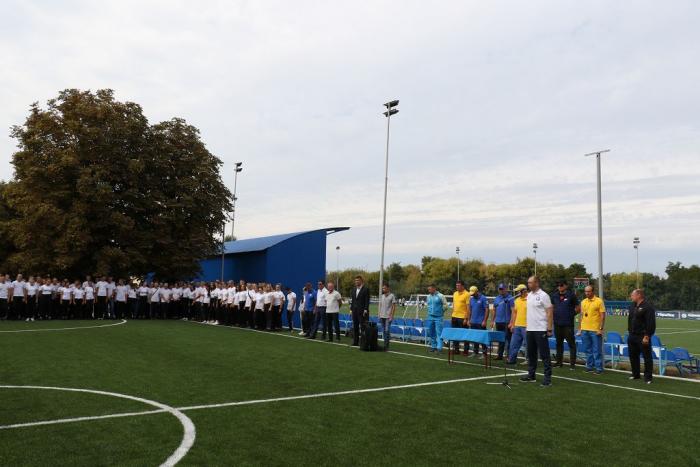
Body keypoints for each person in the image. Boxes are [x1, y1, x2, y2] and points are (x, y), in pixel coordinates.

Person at [520, 276, 553, 387]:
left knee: (544, 354)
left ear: (537, 283)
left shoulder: (544, 295)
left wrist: (549, 328)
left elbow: (549, 312)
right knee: (531, 354)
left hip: (541, 329)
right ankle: (531, 375)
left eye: (530, 283)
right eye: (528, 282)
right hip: (530, 329)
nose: (528, 285)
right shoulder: (529, 295)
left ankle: (547, 378)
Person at [627, 289, 656, 384]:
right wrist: (629, 331)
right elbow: (630, 319)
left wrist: (647, 335)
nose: (631, 297)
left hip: (642, 336)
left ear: (639, 295)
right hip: (632, 335)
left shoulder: (648, 307)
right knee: (633, 356)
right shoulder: (632, 305)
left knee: (647, 357)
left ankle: (648, 377)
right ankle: (635, 374)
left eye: (632, 295)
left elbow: (651, 322)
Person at [551, 280, 580, 369]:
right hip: (557, 323)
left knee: (571, 344)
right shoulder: (554, 295)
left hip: (568, 324)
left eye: (561, 285)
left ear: (566, 286)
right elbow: (552, 307)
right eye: (558, 285)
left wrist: (571, 314)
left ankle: (572, 364)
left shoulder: (571, 295)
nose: (560, 287)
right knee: (558, 343)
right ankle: (559, 362)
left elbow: (578, 308)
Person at [578, 285, 605, 374]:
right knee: (587, 349)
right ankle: (589, 366)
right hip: (584, 329)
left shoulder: (599, 301)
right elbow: (581, 315)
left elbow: (602, 316)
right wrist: (580, 328)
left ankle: (599, 368)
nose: (587, 293)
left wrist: (600, 328)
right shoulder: (583, 302)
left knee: (597, 350)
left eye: (589, 291)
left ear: (593, 292)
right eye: (586, 291)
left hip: (595, 330)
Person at [507, 284, 528, 364]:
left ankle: (529, 360)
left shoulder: (530, 299)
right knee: (513, 344)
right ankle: (511, 359)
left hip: (527, 326)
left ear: (523, 291)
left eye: (518, 291)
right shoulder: (516, 300)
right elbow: (514, 313)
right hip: (517, 326)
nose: (517, 293)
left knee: (528, 344)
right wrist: (512, 324)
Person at [492, 283, 514, 360]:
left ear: (506, 289)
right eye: (500, 289)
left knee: (508, 339)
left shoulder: (510, 298)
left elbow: (513, 311)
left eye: (502, 289)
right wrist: (492, 320)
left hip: (507, 322)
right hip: (498, 322)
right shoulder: (497, 298)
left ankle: (509, 355)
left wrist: (511, 322)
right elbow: (494, 310)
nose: (501, 290)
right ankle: (499, 355)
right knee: (500, 339)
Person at [467, 286, 489, 357]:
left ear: (477, 291)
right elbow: (470, 310)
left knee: (482, 338)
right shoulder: (471, 299)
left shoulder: (483, 298)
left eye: (473, 293)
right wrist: (469, 320)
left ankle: (484, 353)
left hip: (480, 322)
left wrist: (484, 321)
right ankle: (475, 352)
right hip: (473, 322)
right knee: (475, 337)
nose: (472, 295)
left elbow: (487, 310)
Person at [426, 284, 447, 353]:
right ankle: (433, 346)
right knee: (431, 332)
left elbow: (445, 305)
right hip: (430, 317)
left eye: (430, 289)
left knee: (439, 332)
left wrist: (441, 311)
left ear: (434, 288)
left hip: (438, 317)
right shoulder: (428, 296)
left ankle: (439, 348)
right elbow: (428, 305)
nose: (429, 290)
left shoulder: (441, 296)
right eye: (428, 289)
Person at [451, 280, 470, 355]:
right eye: (456, 285)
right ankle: (456, 350)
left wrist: (466, 318)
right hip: (454, 316)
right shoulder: (455, 293)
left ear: (463, 286)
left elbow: (468, 308)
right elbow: (454, 305)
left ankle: (466, 351)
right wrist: (452, 315)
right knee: (455, 334)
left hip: (462, 317)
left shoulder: (467, 294)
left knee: (465, 334)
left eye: (458, 285)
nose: (457, 287)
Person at [350, 276, 370, 347]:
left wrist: (365, 309)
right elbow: (353, 301)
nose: (356, 281)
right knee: (355, 327)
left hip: (362, 312)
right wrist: (351, 310)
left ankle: (363, 342)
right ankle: (355, 342)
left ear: (361, 281)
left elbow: (367, 300)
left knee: (363, 328)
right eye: (355, 280)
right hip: (354, 311)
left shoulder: (366, 289)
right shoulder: (353, 289)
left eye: (358, 280)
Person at [378, 283, 396, 351]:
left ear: (388, 288)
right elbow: (380, 305)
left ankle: (386, 346)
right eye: (383, 288)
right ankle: (385, 345)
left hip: (388, 317)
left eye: (384, 288)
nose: (383, 289)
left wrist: (392, 316)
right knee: (383, 331)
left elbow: (394, 307)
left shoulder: (392, 296)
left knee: (387, 331)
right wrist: (379, 314)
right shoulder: (382, 296)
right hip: (382, 316)